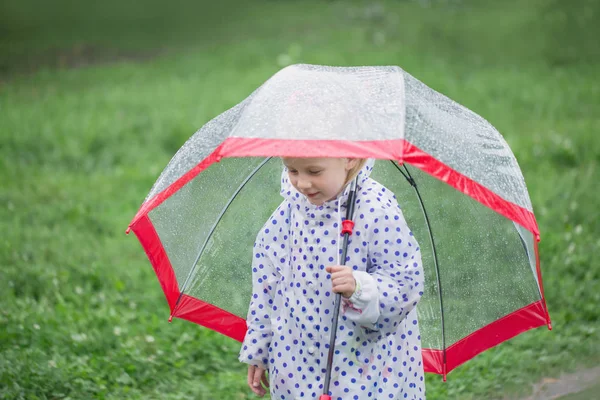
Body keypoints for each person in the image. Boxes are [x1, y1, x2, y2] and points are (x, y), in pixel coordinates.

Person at [239, 157, 425, 400]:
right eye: (292, 170)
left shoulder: (376, 209)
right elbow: (267, 282)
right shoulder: (290, 211)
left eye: (314, 171)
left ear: (349, 158)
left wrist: (360, 288)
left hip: (364, 364)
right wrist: (259, 346)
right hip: (297, 358)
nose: (302, 183)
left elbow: (404, 284)